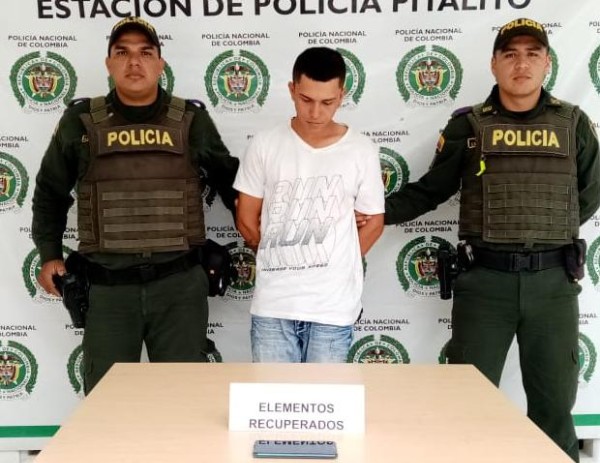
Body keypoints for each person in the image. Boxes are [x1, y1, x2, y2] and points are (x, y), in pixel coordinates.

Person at [368, 18, 600, 461]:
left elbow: (588, 196)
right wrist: (375, 213)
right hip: (485, 286)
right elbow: (430, 191)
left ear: (547, 63)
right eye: (510, 54)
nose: (521, 64)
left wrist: (545, 232)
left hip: (553, 285)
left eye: (532, 54)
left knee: (554, 410)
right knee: (467, 408)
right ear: (494, 63)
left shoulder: (573, 125)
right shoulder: (469, 126)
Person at [31, 16, 239, 393]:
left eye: (145, 53)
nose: (134, 62)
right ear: (109, 63)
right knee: (107, 403)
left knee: (183, 400)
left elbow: (230, 181)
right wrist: (49, 254)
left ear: (160, 63)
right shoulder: (80, 121)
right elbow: (50, 192)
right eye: (122, 52)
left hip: (179, 288)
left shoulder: (191, 119)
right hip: (108, 290)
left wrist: (256, 228)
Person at [234, 47, 385, 363]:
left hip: (333, 307)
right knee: (272, 394)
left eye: (327, 102)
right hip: (274, 305)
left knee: (326, 394)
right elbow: (246, 217)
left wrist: (337, 258)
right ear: (292, 90)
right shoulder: (264, 144)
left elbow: (373, 220)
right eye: (306, 99)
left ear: (341, 95)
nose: (315, 111)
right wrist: (280, 253)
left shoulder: (361, 149)